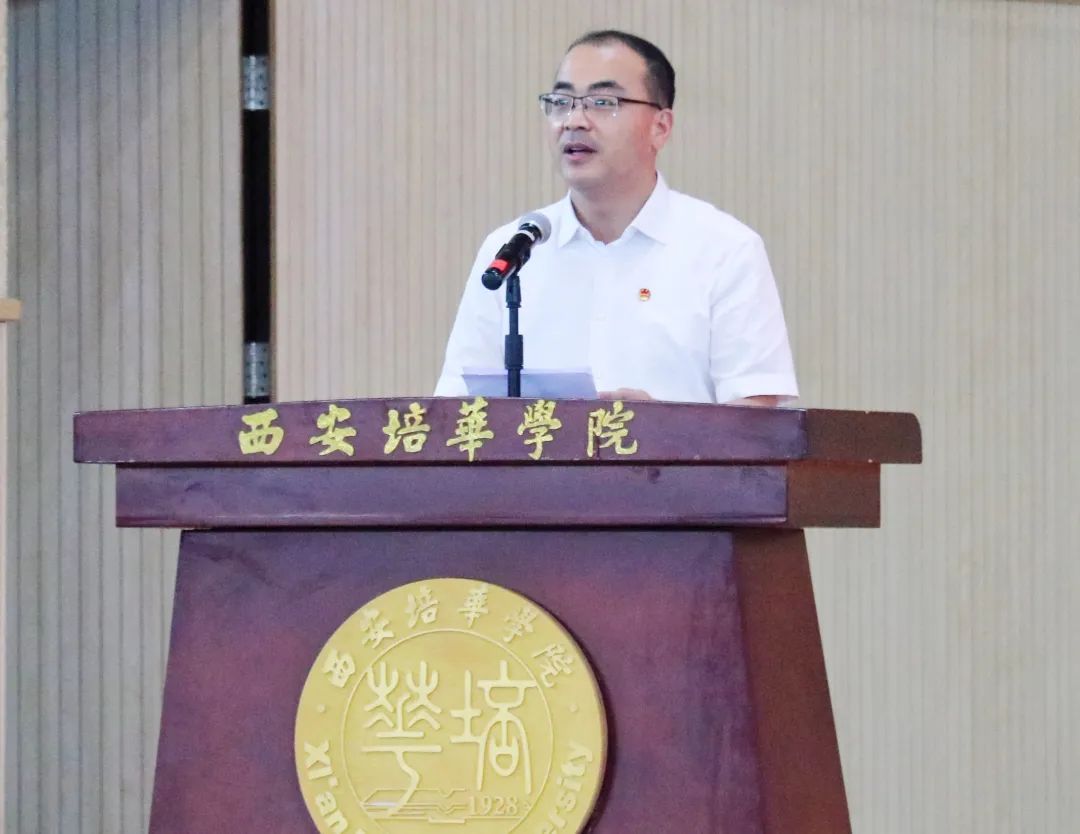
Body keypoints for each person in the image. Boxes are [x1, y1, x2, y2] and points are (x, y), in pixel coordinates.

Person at [434, 30, 798, 406]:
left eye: (602, 102)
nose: (574, 121)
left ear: (660, 127)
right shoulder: (510, 251)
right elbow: (454, 409)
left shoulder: (725, 250)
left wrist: (660, 429)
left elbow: (758, 418)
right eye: (561, 102)